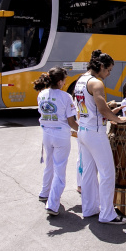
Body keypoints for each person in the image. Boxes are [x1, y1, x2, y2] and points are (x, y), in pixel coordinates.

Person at [74, 49, 126, 224]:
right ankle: (107, 214)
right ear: (101, 66)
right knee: (108, 173)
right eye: (108, 70)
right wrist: (118, 119)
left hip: (83, 129)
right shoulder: (96, 83)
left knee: (88, 173)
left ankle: (89, 208)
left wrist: (109, 112)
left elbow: (91, 107)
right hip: (95, 132)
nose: (109, 74)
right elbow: (101, 108)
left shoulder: (80, 80)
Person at [35, 67, 78, 216]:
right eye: (64, 80)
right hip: (61, 136)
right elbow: (71, 122)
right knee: (60, 169)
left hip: (46, 134)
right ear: (60, 81)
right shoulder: (66, 97)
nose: (65, 82)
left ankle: (44, 192)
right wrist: (84, 130)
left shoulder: (42, 94)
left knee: (49, 164)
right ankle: (52, 205)